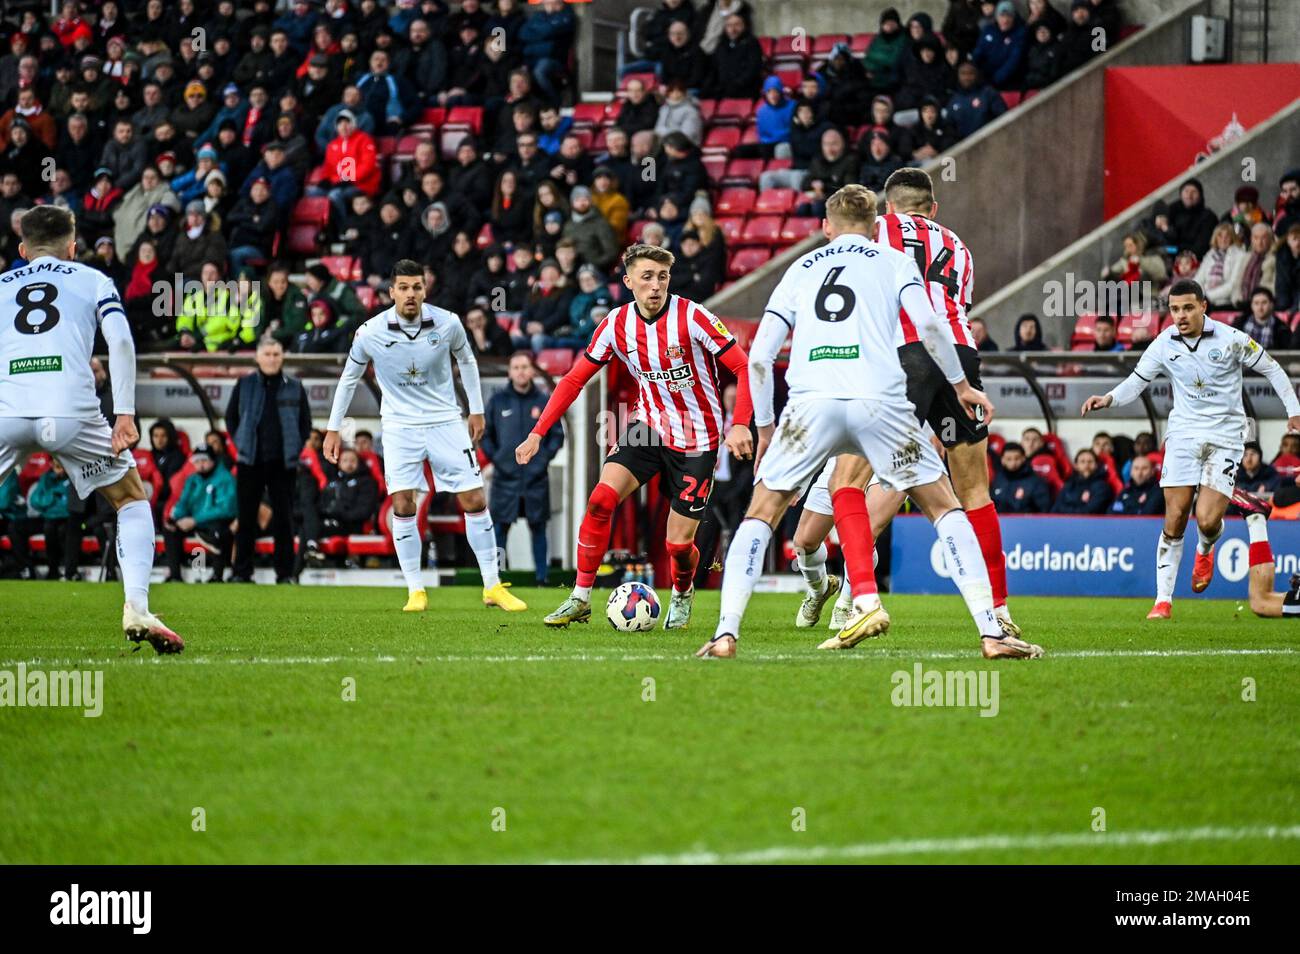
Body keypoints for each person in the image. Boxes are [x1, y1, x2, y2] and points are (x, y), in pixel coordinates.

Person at [697, 184, 1039, 661]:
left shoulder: (800, 268)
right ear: (877, 225)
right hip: (880, 402)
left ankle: (726, 634)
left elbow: (758, 357)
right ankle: (992, 630)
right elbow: (934, 327)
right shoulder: (893, 261)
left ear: (825, 227)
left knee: (762, 512)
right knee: (945, 505)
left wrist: (767, 428)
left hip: (810, 406)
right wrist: (960, 385)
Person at [790, 169, 1023, 637]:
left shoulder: (875, 230)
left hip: (901, 353)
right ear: (932, 208)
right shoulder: (959, 246)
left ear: (885, 207)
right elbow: (956, 307)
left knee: (846, 480)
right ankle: (998, 611)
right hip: (958, 355)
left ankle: (862, 599)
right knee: (975, 491)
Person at [515, 244, 755, 630]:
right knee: (600, 500)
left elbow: (743, 366)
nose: (655, 285)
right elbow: (575, 379)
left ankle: (682, 591)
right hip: (648, 428)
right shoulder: (615, 324)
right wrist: (538, 432)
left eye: (662, 277)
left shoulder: (693, 317)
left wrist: (741, 422)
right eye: (646, 277)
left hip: (698, 440)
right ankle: (580, 597)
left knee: (678, 546)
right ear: (628, 282)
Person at [0, 206, 183, 652]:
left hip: (8, 409)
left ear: (22, 250)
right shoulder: (93, 279)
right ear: (73, 246)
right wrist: (124, 412)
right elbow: (120, 339)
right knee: (130, 499)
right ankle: (137, 606)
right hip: (73, 411)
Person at [1082, 278, 1300, 619]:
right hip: (1183, 435)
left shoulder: (1231, 339)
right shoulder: (1163, 343)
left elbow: (1271, 368)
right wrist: (1108, 398)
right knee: (1175, 515)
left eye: (1187, 308)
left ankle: (1205, 547)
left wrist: (1294, 412)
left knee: (1208, 520)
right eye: (1173, 309)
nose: (1180, 316)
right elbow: (1137, 382)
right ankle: (1163, 599)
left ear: (1203, 307)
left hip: (1225, 437)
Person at [324, 260, 525, 614]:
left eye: (417, 287)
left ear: (424, 289)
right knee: (403, 504)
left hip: (446, 421)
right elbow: (348, 379)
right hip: (400, 426)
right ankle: (416, 590)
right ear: (391, 292)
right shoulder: (370, 332)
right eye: (403, 287)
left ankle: (492, 586)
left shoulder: (448, 322)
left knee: (475, 499)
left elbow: (467, 360)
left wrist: (475, 409)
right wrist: (332, 428)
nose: (411, 294)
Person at [225, 336, 313, 584]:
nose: (272, 359)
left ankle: (285, 574)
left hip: (283, 462)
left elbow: (305, 424)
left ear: (282, 356)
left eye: (276, 354)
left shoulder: (295, 386)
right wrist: (241, 442)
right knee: (246, 518)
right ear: (258, 357)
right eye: (268, 354)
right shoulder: (244, 384)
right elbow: (231, 418)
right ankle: (242, 572)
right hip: (249, 460)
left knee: (284, 520)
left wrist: (295, 447)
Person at [481, 352, 563, 586]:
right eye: (515, 367)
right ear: (509, 372)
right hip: (504, 478)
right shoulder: (497, 401)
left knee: (538, 527)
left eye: (524, 367)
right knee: (499, 528)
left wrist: (542, 460)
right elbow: (486, 436)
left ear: (532, 371)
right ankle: (494, 579)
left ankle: (542, 578)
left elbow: (556, 436)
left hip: (536, 478)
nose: (520, 371)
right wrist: (499, 459)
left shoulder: (544, 401)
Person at [163, 445, 236, 582]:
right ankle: (175, 575)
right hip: (195, 521)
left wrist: (195, 520)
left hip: (217, 522)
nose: (200, 465)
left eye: (204, 460)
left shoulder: (225, 479)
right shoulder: (193, 479)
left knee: (217, 531)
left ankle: (217, 575)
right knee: (170, 530)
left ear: (213, 460)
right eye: (196, 461)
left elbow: (226, 510)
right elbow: (183, 502)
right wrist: (175, 517)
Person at [991, 441, 1052, 513]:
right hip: (1001, 522)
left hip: (1027, 523)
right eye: (1008, 459)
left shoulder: (1036, 482)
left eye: (1017, 458)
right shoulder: (998, 479)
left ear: (1023, 458)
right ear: (1002, 460)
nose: (1013, 463)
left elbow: (1044, 511)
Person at [1051, 449, 1114, 513]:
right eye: (1082, 461)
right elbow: (1056, 507)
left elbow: (1089, 511)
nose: (1086, 464)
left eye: (1090, 461)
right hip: (1063, 521)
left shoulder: (1101, 486)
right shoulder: (1069, 484)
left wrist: (1064, 510)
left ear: (1096, 465)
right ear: (1076, 466)